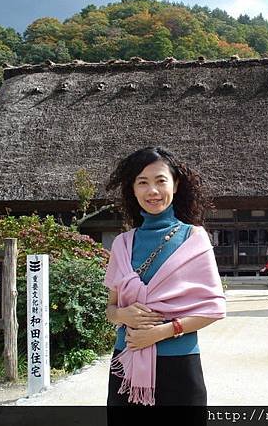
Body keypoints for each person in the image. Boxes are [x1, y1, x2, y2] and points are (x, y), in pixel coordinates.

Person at [103, 146, 226, 412]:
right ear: (132, 189)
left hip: (179, 364)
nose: (153, 191)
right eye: (142, 182)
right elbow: (110, 310)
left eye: (161, 181)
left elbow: (214, 309)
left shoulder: (194, 238)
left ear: (176, 184)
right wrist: (124, 316)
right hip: (126, 363)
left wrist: (162, 332)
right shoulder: (122, 244)